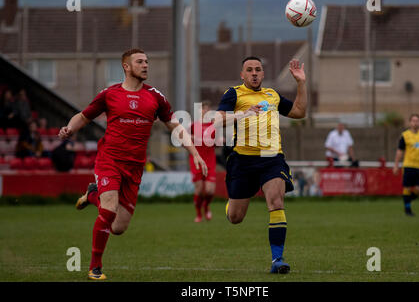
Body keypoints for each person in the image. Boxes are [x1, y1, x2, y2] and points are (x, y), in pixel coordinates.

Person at [58, 48, 207, 280]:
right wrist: (69, 128)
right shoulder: (109, 94)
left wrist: (194, 152)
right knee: (108, 210)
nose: (146, 65)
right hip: (109, 160)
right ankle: (95, 267)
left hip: (135, 167)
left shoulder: (156, 97)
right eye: (140, 62)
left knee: (118, 227)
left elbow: (176, 127)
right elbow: (84, 116)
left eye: (147, 61)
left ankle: (92, 195)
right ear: (126, 67)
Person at [215, 56, 307, 274]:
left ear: (263, 74)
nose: (254, 73)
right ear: (242, 74)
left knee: (276, 201)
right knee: (236, 218)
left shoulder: (272, 95)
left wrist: (301, 83)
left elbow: (299, 112)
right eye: (249, 69)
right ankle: (231, 207)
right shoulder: (234, 93)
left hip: (271, 158)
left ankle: (277, 260)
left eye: (258, 69)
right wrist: (243, 114)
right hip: (242, 160)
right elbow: (217, 120)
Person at [393, 114, 419, 216]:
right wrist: (396, 165)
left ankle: (407, 201)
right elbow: (399, 151)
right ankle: (408, 210)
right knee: (406, 187)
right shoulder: (405, 135)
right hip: (408, 165)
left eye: (417, 121)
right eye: (413, 121)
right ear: (410, 122)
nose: (415, 123)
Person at [189, 100, 216, 222]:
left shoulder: (213, 125)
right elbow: (185, 139)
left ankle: (206, 206)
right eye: (203, 109)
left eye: (207, 109)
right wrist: (192, 137)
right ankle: (199, 214)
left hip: (210, 161)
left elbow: (217, 143)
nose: (205, 111)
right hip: (196, 161)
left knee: (210, 190)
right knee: (199, 190)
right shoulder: (194, 125)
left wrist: (219, 140)